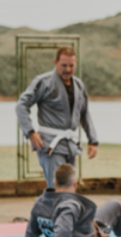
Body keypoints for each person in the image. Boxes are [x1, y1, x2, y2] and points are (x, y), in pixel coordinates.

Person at [16, 46, 98, 188]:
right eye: (64, 65)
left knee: (70, 188)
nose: (67, 69)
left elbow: (84, 113)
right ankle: (51, 209)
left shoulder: (78, 85)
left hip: (70, 145)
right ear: (55, 62)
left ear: (76, 63)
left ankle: (63, 210)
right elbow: (21, 105)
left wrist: (93, 140)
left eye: (71, 65)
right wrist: (30, 132)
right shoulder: (44, 82)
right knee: (57, 188)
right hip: (50, 145)